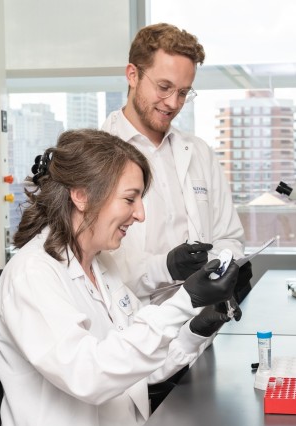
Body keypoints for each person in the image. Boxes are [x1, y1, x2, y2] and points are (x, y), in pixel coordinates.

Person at [0, 128, 240, 426]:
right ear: (82, 196)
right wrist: (185, 299)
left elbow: (137, 369)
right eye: (130, 199)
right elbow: (89, 375)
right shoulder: (32, 275)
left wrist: (193, 330)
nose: (140, 214)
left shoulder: (103, 265)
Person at [102, 23, 253, 309]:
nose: (173, 103)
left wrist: (223, 268)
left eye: (183, 92)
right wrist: (167, 267)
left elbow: (228, 236)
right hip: (133, 325)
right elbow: (99, 262)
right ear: (132, 75)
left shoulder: (199, 153)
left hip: (199, 321)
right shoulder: (97, 154)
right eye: (164, 87)